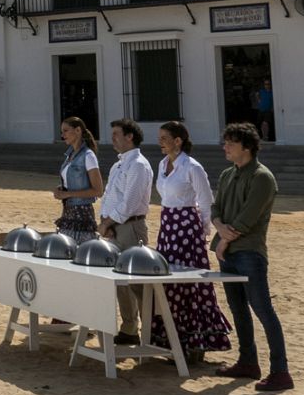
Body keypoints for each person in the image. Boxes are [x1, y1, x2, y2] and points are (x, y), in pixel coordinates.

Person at [213, 124, 293, 392]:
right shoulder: (227, 174)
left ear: (246, 147)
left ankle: (280, 370)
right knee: (238, 309)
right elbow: (217, 207)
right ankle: (247, 360)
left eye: (230, 143)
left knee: (263, 310)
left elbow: (248, 217)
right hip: (229, 251)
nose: (225, 147)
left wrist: (223, 239)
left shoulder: (262, 177)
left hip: (248, 251)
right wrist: (218, 226)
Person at [150, 120, 230, 363]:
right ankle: (169, 340)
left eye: (165, 138)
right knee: (169, 283)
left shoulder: (191, 167)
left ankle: (193, 343)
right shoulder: (164, 164)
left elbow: (206, 201)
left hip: (186, 227)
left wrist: (201, 231)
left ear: (178, 141)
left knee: (188, 284)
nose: (160, 142)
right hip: (168, 226)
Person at [96, 119, 153, 345]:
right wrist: (105, 222)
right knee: (119, 280)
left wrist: (107, 222)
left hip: (131, 226)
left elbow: (129, 203)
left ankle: (149, 330)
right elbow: (109, 197)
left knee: (137, 281)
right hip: (115, 227)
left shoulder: (138, 164)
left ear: (130, 136)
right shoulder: (118, 164)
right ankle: (129, 327)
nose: (113, 139)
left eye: (117, 134)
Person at [51, 116, 103, 244]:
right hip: (67, 212)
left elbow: (98, 190)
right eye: (62, 132)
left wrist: (68, 194)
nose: (63, 135)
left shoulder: (88, 156)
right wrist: (61, 189)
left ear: (78, 130)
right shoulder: (69, 156)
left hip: (82, 214)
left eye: (66, 131)